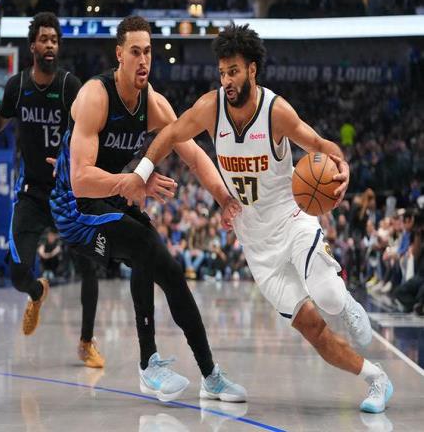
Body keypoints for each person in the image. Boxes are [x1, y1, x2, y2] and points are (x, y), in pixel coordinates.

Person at [121, 23, 393, 414]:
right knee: (313, 330)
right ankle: (377, 378)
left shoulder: (275, 111)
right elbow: (172, 134)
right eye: (222, 72)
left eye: (233, 71)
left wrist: (342, 164)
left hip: (292, 220)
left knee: (329, 297)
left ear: (252, 69)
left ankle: (346, 301)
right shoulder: (211, 107)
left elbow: (320, 144)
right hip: (256, 244)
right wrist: (142, 171)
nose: (226, 80)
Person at [50, 15, 246, 402]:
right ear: (119, 55)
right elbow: (80, 180)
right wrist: (131, 180)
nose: (144, 60)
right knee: (153, 254)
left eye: (149, 52)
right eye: (135, 52)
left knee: (160, 263)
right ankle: (163, 367)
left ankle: (197, 373)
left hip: (108, 199)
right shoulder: (95, 96)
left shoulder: (152, 103)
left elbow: (193, 156)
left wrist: (224, 198)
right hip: (73, 211)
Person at [0, 12, 104, 368]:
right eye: (44, 39)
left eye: (54, 40)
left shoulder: (70, 86)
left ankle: (86, 342)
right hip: (33, 193)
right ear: (33, 46)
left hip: (69, 192)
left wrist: (75, 160)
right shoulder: (17, 86)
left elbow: (90, 128)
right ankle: (37, 292)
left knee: (89, 268)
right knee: (18, 274)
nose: (50, 45)